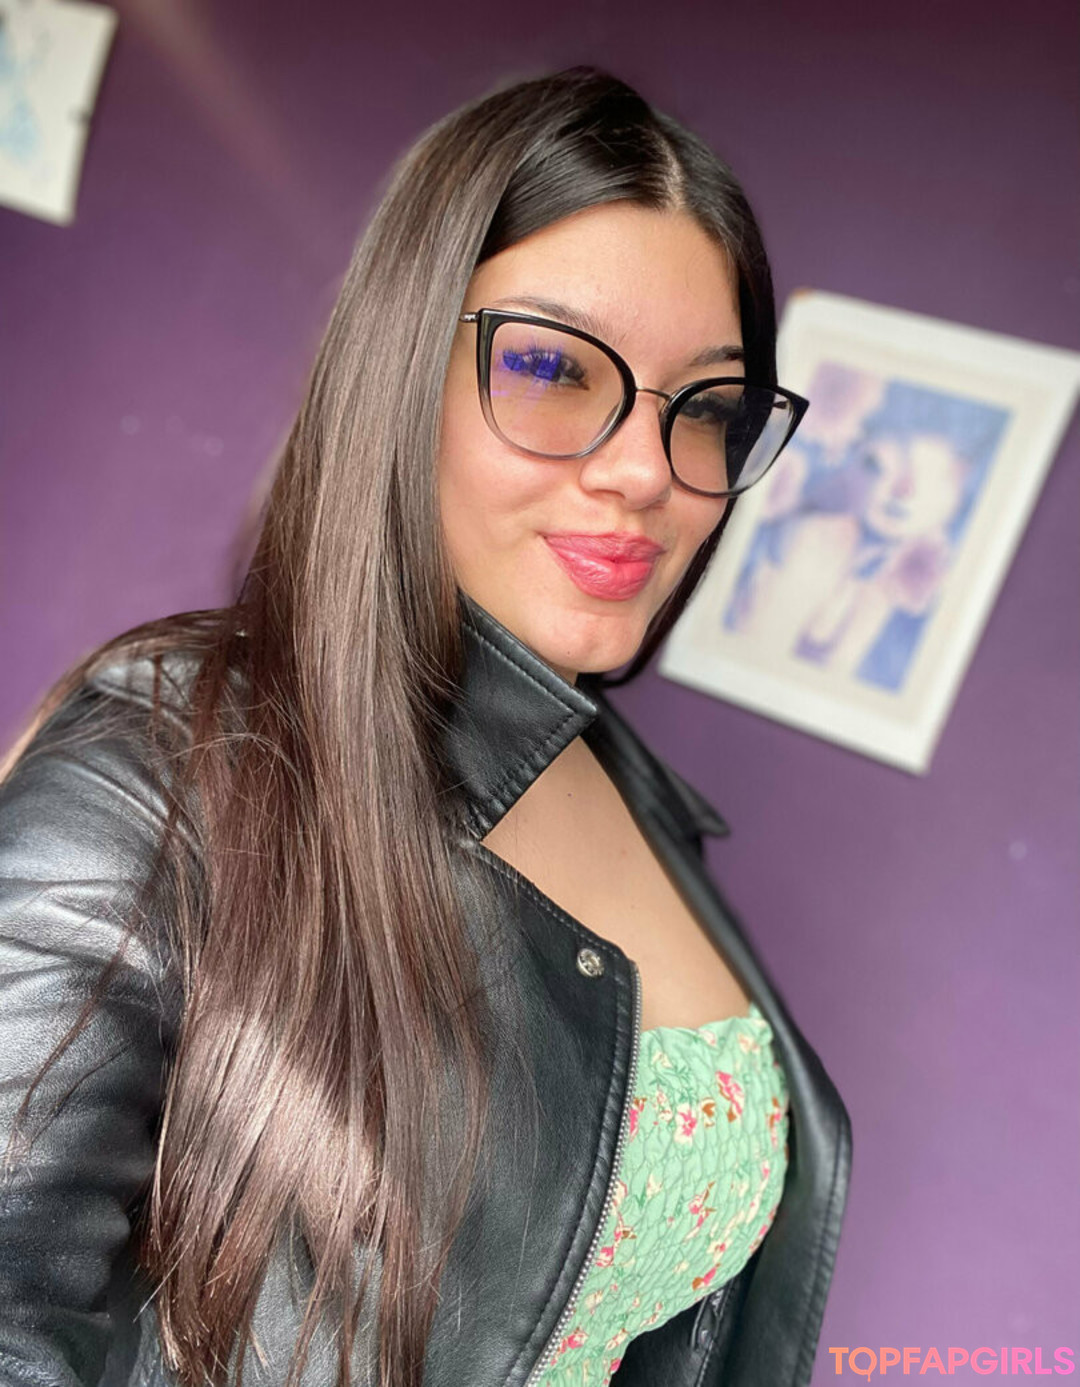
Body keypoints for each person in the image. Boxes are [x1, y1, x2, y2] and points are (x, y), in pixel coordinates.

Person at [0, 65, 851, 1387]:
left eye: (708, 407)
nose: (646, 471)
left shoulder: (641, 805)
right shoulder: (158, 781)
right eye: (553, 367)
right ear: (404, 371)